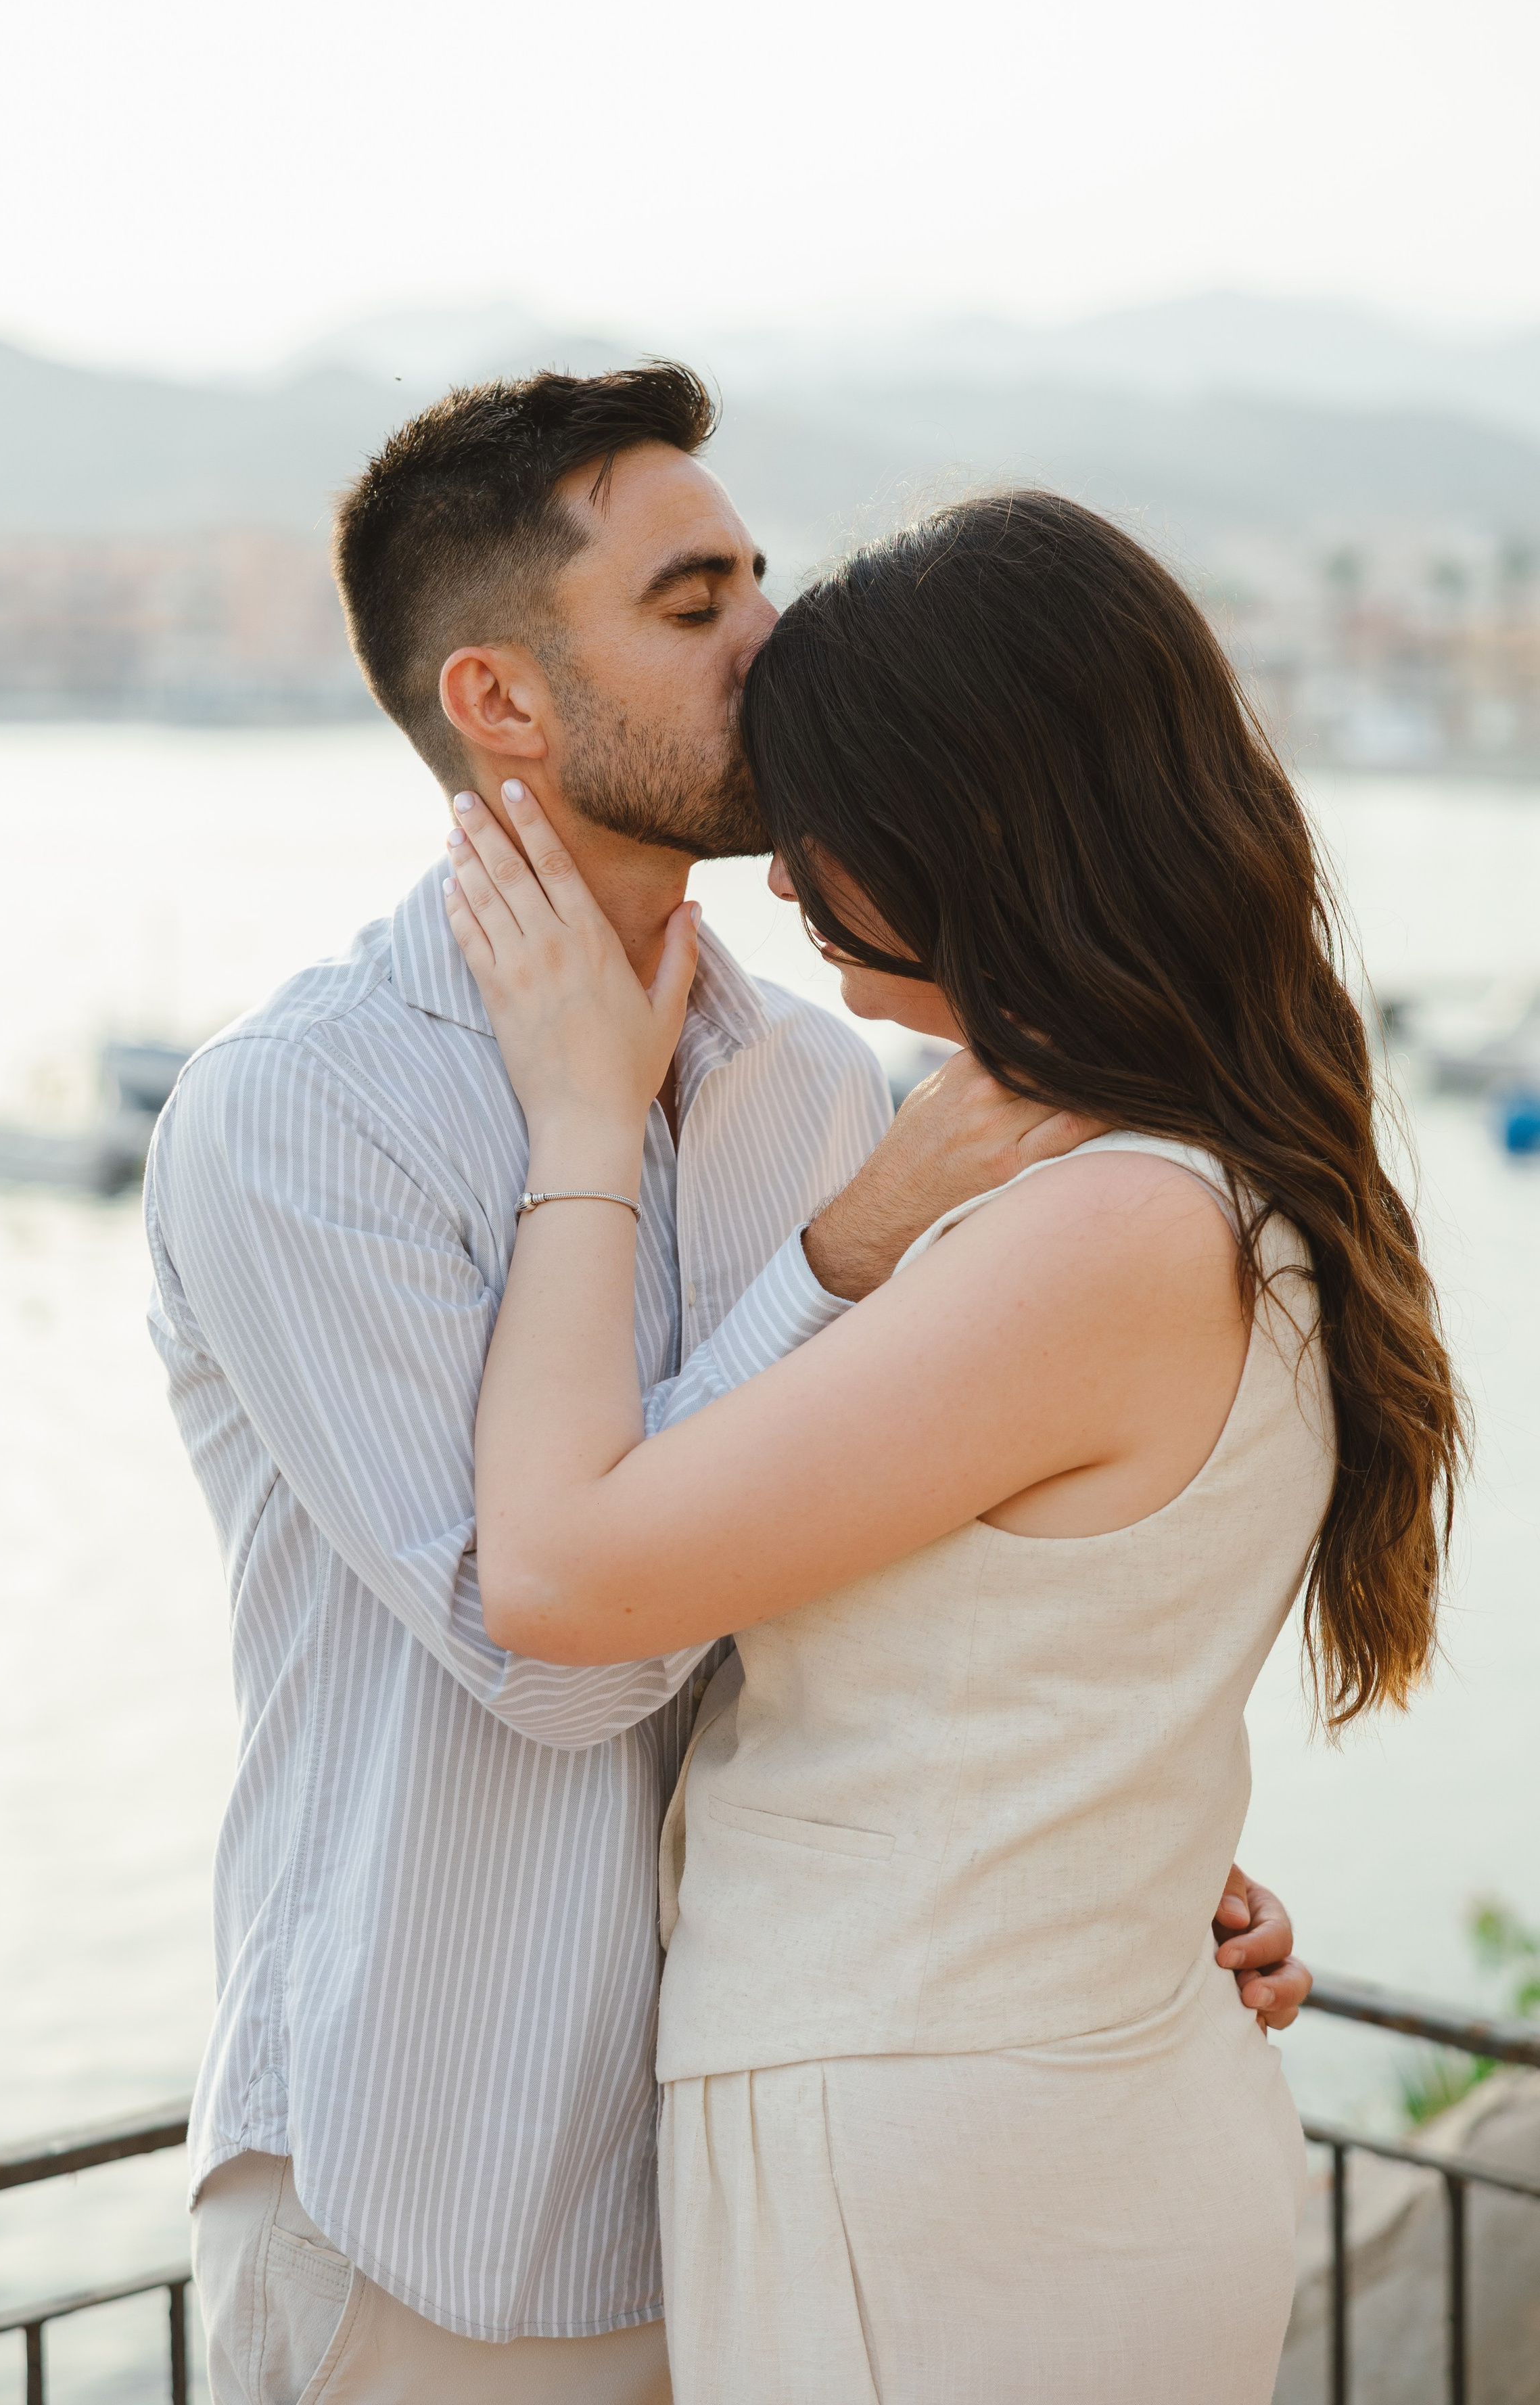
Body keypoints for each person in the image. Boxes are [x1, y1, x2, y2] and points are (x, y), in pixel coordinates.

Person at [145, 373, 1313, 2405]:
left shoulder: (820, 1081)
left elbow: (873, 1570)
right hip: (452, 2202)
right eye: (695, 604)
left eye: (759, 574)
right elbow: (574, 1652)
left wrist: (1099, 1852)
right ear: (503, 703)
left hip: (796, 2145)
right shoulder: (304, 1120)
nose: (771, 636)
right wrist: (839, 1256)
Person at [444, 488, 1465, 2404]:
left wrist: (583, 1129)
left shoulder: (1110, 1228)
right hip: (1020, 2113)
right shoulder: (1179, 1183)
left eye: (813, 821)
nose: (777, 878)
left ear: (958, 830)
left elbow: (563, 1576)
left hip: (944, 2159)